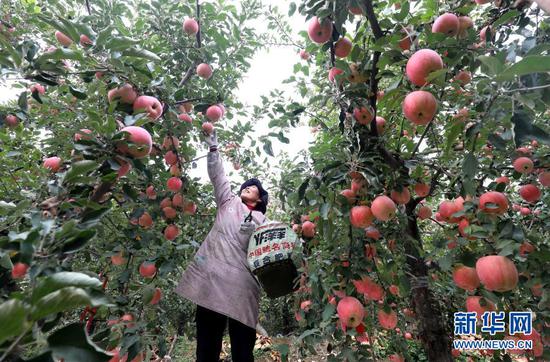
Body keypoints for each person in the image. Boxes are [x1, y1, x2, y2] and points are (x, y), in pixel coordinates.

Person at [175, 129, 269, 362]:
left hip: (243, 288)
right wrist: (214, 148)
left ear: (259, 200)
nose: (247, 186)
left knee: (242, 351)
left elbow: (273, 252)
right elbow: (219, 176)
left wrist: (260, 233)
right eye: (245, 185)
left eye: (253, 186)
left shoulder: (265, 222)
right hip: (213, 283)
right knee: (207, 347)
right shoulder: (228, 203)